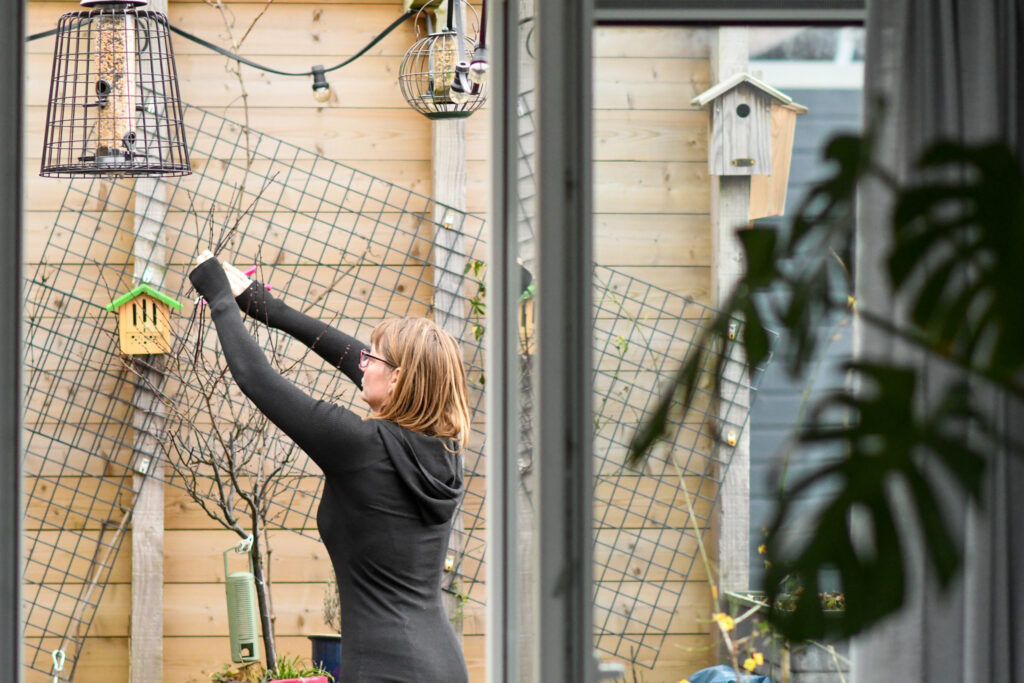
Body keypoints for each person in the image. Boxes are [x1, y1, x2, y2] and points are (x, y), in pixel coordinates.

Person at [189, 251, 471, 683]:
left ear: (397, 380)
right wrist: (263, 305)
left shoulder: (360, 446)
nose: (362, 362)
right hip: (443, 664)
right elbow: (358, 357)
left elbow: (256, 379)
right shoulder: (445, 453)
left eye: (373, 359)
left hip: (384, 669)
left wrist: (219, 297)